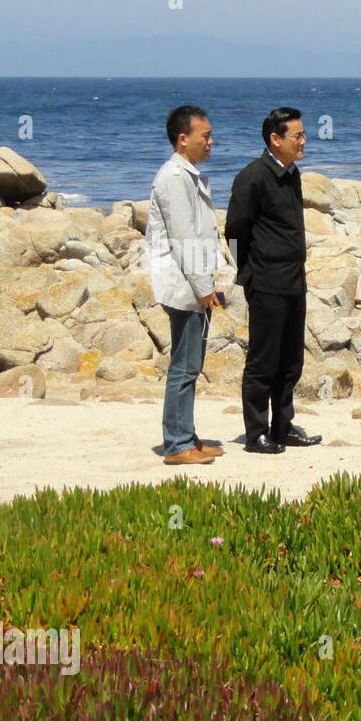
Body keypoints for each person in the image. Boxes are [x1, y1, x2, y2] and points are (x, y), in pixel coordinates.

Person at [225, 107, 321, 454]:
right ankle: (256, 434)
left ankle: (283, 427)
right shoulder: (252, 177)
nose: (304, 141)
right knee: (263, 361)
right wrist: (248, 274)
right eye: (298, 135)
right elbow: (235, 230)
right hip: (266, 282)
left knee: (291, 359)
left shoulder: (292, 173)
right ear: (275, 139)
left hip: (295, 280)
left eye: (304, 134)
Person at [146, 104, 226, 466]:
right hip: (183, 285)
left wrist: (211, 279)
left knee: (190, 362)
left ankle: (186, 435)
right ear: (183, 139)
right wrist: (202, 287)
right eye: (204, 136)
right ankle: (177, 443)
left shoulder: (185, 174)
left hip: (193, 282)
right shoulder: (174, 178)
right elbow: (183, 238)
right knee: (184, 364)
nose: (211, 142)